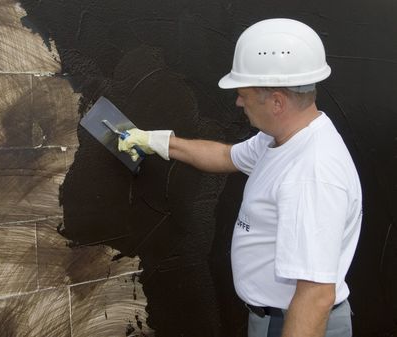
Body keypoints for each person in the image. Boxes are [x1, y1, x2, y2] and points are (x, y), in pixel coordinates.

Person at [117, 18, 362, 337]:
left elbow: (316, 296)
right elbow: (224, 156)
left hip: (298, 323)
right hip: (273, 317)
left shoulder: (311, 174)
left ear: (277, 101)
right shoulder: (279, 139)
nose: (238, 101)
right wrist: (158, 141)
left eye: (243, 93)